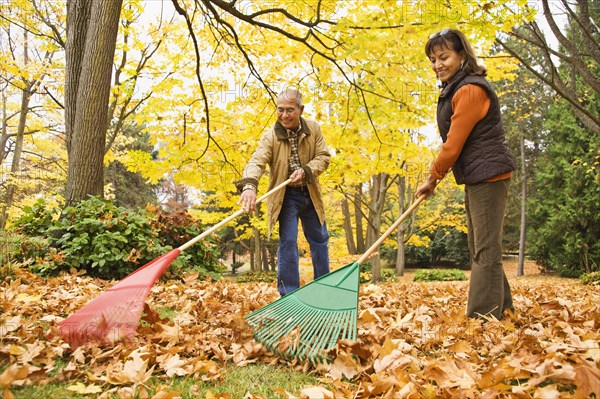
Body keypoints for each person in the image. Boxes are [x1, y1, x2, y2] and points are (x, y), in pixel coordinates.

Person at [415, 29, 516, 320]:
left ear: (462, 56)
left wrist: (433, 178)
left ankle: (482, 317)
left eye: (444, 57)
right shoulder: (456, 88)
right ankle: (505, 309)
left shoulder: (471, 90)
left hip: (490, 175)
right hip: (477, 175)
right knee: (482, 247)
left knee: (485, 249)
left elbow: (453, 145)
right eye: (433, 60)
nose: (437, 65)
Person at [235, 88, 331, 296]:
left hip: (311, 193)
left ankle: (324, 289)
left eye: (290, 110)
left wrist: (306, 171)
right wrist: (250, 186)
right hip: (287, 197)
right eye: (280, 110)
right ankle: (289, 294)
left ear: (301, 109)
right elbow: (256, 162)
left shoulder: (314, 129)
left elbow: (324, 157)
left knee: (320, 240)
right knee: (288, 242)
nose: (284, 115)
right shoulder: (271, 136)